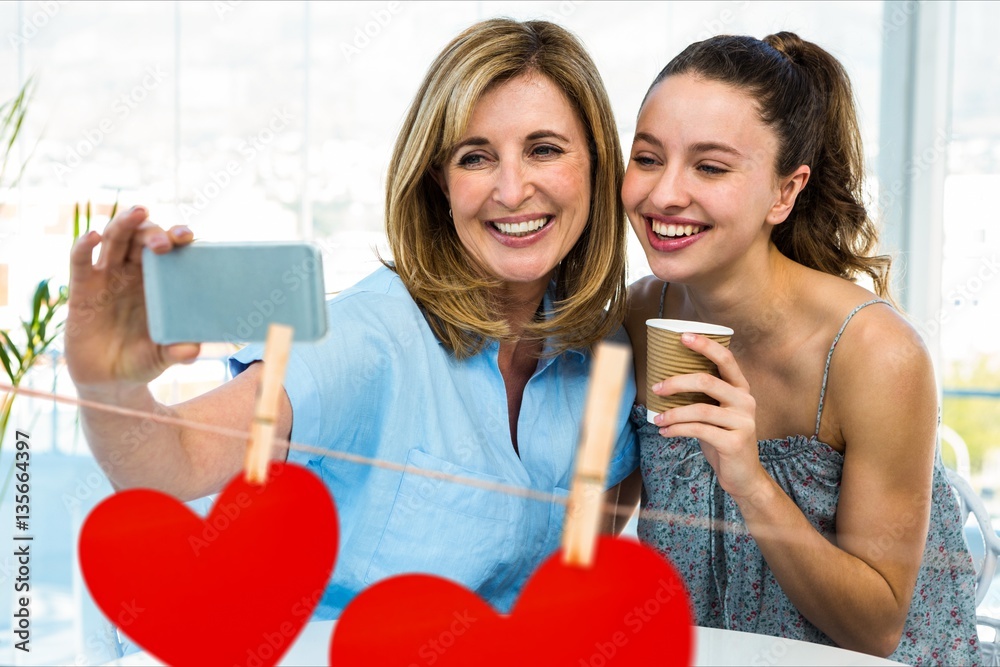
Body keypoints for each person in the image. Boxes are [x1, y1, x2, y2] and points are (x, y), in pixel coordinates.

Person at [66, 18, 640, 620]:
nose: (512, 188)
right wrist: (109, 385)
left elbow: (576, 560)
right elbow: (173, 459)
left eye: (544, 149)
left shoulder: (606, 360)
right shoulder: (368, 339)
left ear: (597, 167)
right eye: (476, 157)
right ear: (437, 185)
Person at [623, 32, 979, 664]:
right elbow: (594, 517)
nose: (663, 195)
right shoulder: (640, 314)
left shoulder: (875, 354)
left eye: (710, 166)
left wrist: (750, 481)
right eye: (648, 158)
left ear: (785, 193)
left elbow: (876, 630)